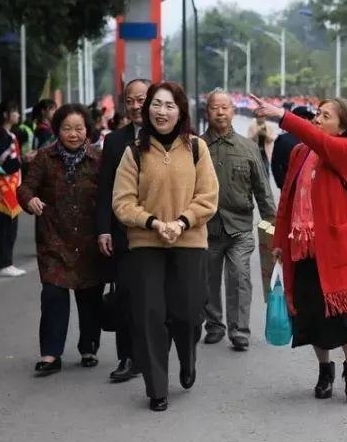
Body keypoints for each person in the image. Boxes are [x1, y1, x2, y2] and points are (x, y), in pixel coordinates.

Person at [253, 95, 347, 405]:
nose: (317, 119)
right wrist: (280, 242)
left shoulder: (346, 151)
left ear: (342, 126)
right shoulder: (300, 152)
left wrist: (281, 115)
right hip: (303, 248)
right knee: (311, 313)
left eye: (326, 116)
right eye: (318, 114)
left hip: (338, 249)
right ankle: (325, 370)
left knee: (346, 312)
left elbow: (318, 140)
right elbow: (287, 200)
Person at [112, 82, 219, 412]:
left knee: (189, 313)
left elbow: (208, 196)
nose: (162, 111)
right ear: (147, 111)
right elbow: (122, 201)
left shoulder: (197, 148)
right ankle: (157, 388)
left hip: (189, 242)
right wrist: (154, 223)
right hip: (146, 243)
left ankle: (187, 356)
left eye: (169, 105)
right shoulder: (134, 152)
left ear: (181, 111)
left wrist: (182, 222)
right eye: (156, 105)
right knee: (150, 315)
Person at [17, 104, 108, 376]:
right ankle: (50, 353)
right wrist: (30, 200)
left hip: (89, 240)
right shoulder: (45, 158)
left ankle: (89, 347)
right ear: (57, 130)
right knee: (53, 295)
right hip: (54, 239)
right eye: (67, 128)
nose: (73, 134)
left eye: (79, 128)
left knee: (90, 296)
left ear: (87, 130)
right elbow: (25, 188)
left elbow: (111, 194)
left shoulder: (98, 159)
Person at [201, 91, 276, 352]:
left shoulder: (248, 148)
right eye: (215, 108)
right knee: (208, 280)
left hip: (240, 228)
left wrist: (273, 229)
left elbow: (263, 190)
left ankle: (239, 330)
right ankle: (214, 325)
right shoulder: (196, 147)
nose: (220, 112)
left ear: (233, 111)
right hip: (206, 229)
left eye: (225, 107)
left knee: (240, 277)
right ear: (207, 112)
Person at [95, 78, 149, 383]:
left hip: (162, 233)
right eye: (130, 101)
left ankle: (157, 353)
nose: (135, 106)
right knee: (126, 295)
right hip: (124, 233)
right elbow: (105, 188)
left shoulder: (173, 137)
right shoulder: (115, 141)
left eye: (142, 99)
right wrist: (103, 229)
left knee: (156, 300)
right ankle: (128, 357)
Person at [0, 101, 27, 278]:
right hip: (5, 187)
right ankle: (3, 263)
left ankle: (7, 262)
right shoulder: (1, 136)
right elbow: (2, 163)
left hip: (12, 185)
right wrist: (23, 160)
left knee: (11, 226)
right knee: (6, 226)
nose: (18, 115)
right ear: (5, 115)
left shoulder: (9, 135)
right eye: (15, 111)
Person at [271, 105, 315, 190]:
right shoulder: (283, 140)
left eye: (310, 118)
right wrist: (285, 186)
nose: (308, 121)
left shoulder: (313, 140)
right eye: (304, 117)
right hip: (291, 188)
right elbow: (276, 165)